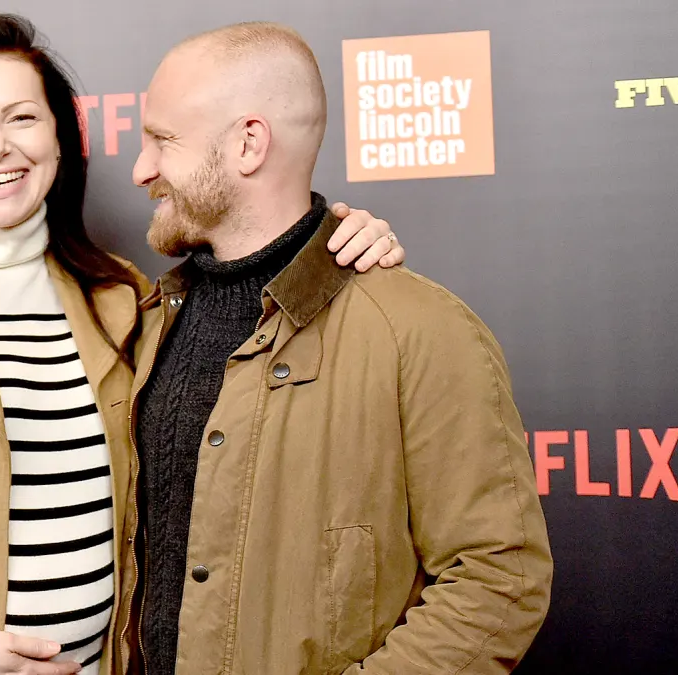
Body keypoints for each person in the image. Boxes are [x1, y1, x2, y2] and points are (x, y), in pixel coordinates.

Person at [0, 14, 405, 675]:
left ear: (60, 138)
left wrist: (341, 242)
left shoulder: (124, 299)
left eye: (21, 118)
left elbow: (258, 269)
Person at [114, 21, 553, 675]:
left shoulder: (422, 331)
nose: (141, 168)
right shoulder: (142, 324)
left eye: (162, 141)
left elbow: (499, 577)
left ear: (249, 143)